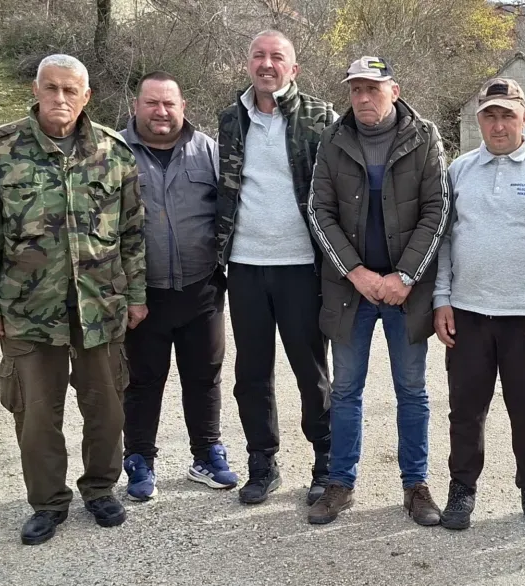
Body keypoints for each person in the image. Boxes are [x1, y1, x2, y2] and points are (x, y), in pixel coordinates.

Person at [0, 54, 146, 545]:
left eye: (70, 90)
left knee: (106, 408)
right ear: (36, 91)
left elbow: (132, 234)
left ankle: (100, 489)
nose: (60, 98)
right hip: (28, 309)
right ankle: (48, 502)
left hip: (100, 306)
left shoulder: (114, 152)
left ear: (86, 96)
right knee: (36, 413)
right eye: (51, 88)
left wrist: (136, 295)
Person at [306, 56, 450, 526]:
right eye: (356, 90)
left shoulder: (424, 136)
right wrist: (356, 273)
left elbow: (437, 210)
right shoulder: (333, 138)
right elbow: (319, 211)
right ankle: (340, 483)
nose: (363, 98)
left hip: (405, 292)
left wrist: (404, 276)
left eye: (373, 88)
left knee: (412, 389)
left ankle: (416, 487)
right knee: (346, 389)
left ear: (394, 90)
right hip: (353, 290)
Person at [432, 78, 525, 536]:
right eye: (489, 116)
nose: (498, 125)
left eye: (507, 116)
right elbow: (444, 241)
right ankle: (462, 490)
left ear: (524, 118)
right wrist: (441, 299)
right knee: (464, 412)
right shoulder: (459, 171)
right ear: (479, 120)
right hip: (468, 314)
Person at [215, 30, 337, 506]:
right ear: (248, 63)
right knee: (251, 373)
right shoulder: (231, 119)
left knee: (312, 372)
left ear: (293, 68)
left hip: (302, 266)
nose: (267, 64)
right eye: (259, 56)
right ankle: (262, 463)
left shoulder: (319, 117)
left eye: (277, 57)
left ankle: (325, 462)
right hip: (245, 265)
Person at [119, 71, 238, 502]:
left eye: (169, 103)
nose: (161, 111)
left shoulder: (208, 152)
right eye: (152, 102)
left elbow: (231, 212)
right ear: (137, 106)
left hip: (200, 289)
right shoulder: (114, 152)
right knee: (142, 380)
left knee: (204, 377)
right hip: (141, 293)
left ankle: (206, 454)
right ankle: (139, 459)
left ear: (182, 107)